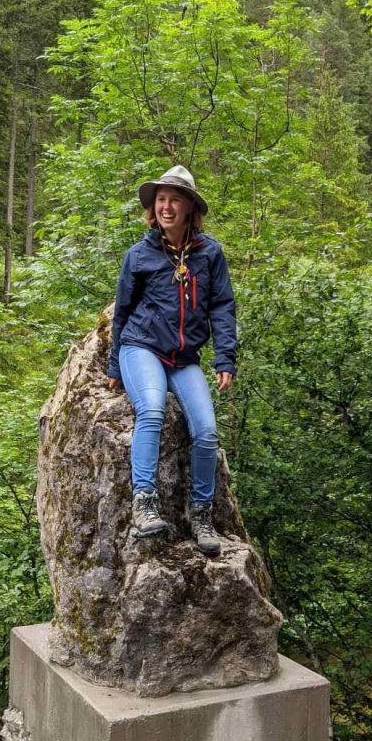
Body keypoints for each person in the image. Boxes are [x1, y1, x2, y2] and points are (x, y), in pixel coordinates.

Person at [107, 165, 237, 556]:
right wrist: (115, 366)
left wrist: (225, 359)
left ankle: (201, 514)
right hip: (141, 347)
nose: (166, 207)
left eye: (174, 200)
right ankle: (144, 504)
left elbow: (222, 306)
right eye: (161, 200)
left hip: (184, 357)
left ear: (189, 208)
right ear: (153, 208)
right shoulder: (139, 255)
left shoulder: (209, 254)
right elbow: (122, 312)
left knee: (207, 431)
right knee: (152, 409)